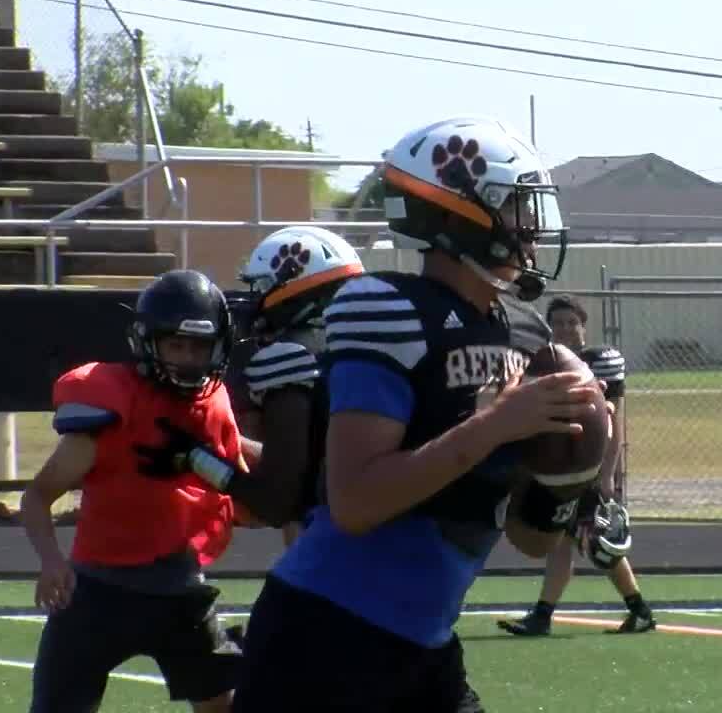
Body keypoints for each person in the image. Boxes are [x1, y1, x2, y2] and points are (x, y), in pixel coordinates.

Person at [230, 116, 607, 713]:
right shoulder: (389, 310)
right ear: (461, 214)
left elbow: (529, 541)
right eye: (515, 206)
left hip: (424, 648)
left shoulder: (525, 333)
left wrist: (572, 476)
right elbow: (354, 503)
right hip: (326, 640)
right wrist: (494, 426)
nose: (531, 225)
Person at [19, 269, 253, 713]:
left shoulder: (214, 402)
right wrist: (51, 561)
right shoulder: (110, 404)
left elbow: (252, 502)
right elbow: (36, 497)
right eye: (176, 344)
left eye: (198, 346)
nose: (187, 358)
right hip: (96, 594)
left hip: (181, 592)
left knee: (223, 707)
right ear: (148, 342)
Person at [172, 226, 366, 547]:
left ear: (294, 288)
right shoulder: (362, 352)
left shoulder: (286, 359)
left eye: (260, 287)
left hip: (334, 546)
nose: (254, 300)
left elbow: (276, 504)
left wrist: (198, 457)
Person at [498, 295, 656, 636]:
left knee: (594, 542)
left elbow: (612, 422)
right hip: (561, 466)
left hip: (587, 466)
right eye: (558, 323)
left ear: (583, 325)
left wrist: (606, 475)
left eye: (572, 322)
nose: (566, 329)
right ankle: (551, 615)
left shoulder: (600, 361)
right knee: (568, 541)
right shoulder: (548, 362)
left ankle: (630, 610)